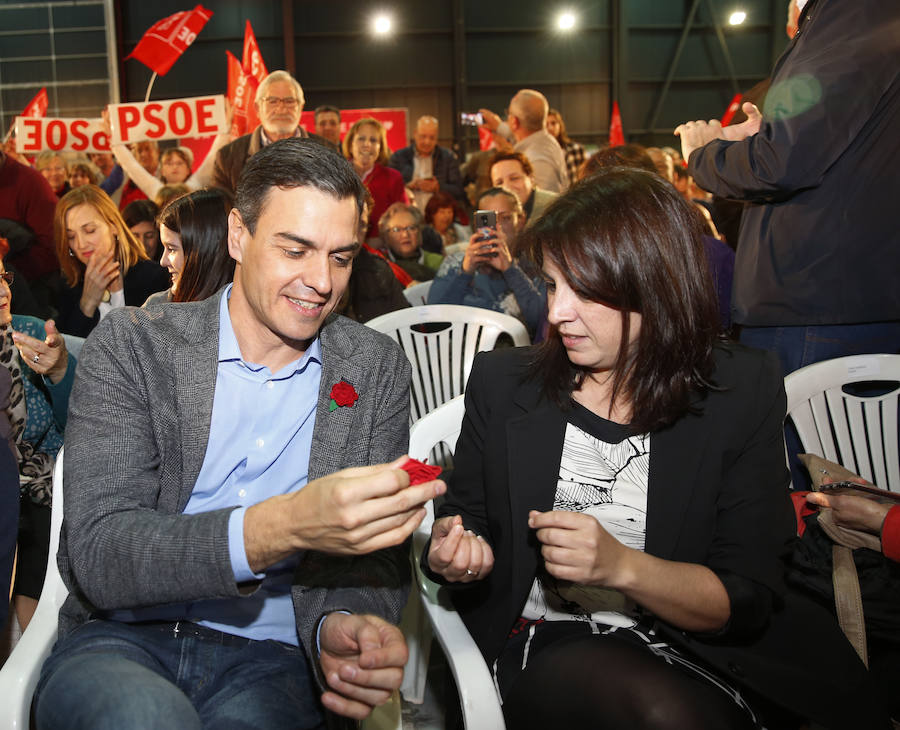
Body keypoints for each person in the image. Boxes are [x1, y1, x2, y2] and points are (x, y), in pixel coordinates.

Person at [424, 168, 887, 730]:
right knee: (664, 713)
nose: (559, 311)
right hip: (551, 639)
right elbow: (465, 512)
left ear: (656, 286)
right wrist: (455, 549)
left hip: (715, 650)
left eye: (586, 291)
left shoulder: (738, 390)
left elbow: (747, 595)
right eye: (551, 285)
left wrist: (623, 567)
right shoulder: (506, 383)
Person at [34, 138, 446, 729]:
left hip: (274, 661)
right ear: (237, 236)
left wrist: (341, 625)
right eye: (296, 249)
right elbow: (100, 553)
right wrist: (284, 526)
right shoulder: (137, 345)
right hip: (121, 641)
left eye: (340, 256)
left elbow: (373, 561)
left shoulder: (374, 367)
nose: (321, 281)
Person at [674, 0, 900, 376]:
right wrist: (767, 137)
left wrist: (703, 155)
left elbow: (780, 164)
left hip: (817, 304)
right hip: (851, 301)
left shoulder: (851, 11)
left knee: (791, 434)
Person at [0, 261, 75, 632]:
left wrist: (60, 371)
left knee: (36, 525)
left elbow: (82, 419)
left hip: (40, 479)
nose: (3, 291)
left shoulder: (30, 333)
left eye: (2, 277)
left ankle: (28, 661)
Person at [53, 185, 170, 337]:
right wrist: (86, 304)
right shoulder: (70, 283)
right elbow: (67, 352)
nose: (81, 244)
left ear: (113, 226)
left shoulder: (156, 277)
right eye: (71, 237)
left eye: (89, 231)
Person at [428, 187, 544, 338]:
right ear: (476, 224)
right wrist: (464, 273)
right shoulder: (456, 262)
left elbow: (541, 323)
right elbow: (433, 322)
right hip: (462, 353)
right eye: (487, 220)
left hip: (516, 354)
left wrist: (511, 270)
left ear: (521, 220)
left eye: (505, 218)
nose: (497, 228)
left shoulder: (535, 264)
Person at [213, 70, 329, 196]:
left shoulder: (328, 151)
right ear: (257, 108)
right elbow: (222, 210)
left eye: (289, 101)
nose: (281, 109)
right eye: (272, 101)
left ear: (301, 107)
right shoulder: (227, 158)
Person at [146, 188, 234, 305]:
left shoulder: (247, 314)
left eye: (171, 249)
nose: (163, 261)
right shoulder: (156, 308)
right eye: (164, 248)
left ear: (204, 250)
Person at [479, 89, 568, 193]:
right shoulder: (547, 141)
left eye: (509, 114)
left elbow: (546, 205)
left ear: (514, 121)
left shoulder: (537, 160)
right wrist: (499, 126)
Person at [343, 117, 408, 241]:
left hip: (381, 248)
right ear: (351, 144)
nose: (367, 145)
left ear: (380, 148)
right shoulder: (336, 174)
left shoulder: (393, 178)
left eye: (373, 140)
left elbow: (404, 219)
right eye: (361, 139)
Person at [111, 138, 230, 203]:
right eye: (169, 163)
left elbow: (211, 159)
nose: (174, 167)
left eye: (179, 163)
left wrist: (226, 129)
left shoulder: (194, 186)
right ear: (162, 170)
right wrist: (113, 139)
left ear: (188, 169)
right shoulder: (157, 191)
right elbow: (132, 167)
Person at [388, 115, 466, 211]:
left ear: (437, 137)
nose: (427, 142)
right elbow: (389, 189)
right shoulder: (398, 157)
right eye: (423, 136)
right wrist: (408, 187)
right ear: (415, 134)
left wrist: (438, 187)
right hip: (407, 215)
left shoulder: (448, 157)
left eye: (432, 138)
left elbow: (459, 191)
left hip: (438, 217)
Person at [378, 203, 443, 283]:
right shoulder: (379, 266)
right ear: (386, 237)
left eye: (411, 228)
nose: (405, 235)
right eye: (397, 230)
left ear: (419, 232)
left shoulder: (438, 262)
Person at [489, 151, 557, 225]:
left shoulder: (555, 208)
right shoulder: (494, 218)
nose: (507, 187)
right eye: (499, 183)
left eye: (514, 178)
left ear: (531, 178)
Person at [546, 108, 585, 186]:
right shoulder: (541, 153)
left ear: (560, 125)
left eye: (553, 123)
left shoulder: (576, 149)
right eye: (546, 124)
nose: (550, 128)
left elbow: (585, 176)